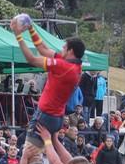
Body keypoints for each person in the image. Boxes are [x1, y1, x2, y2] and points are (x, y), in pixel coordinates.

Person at [10, 16, 84, 148]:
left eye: (64, 46)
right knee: (48, 150)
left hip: (46, 114)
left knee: (29, 154)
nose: (61, 48)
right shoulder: (73, 64)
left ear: (70, 51)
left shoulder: (65, 67)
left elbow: (31, 59)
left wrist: (18, 36)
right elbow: (42, 49)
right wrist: (31, 28)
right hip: (56, 116)